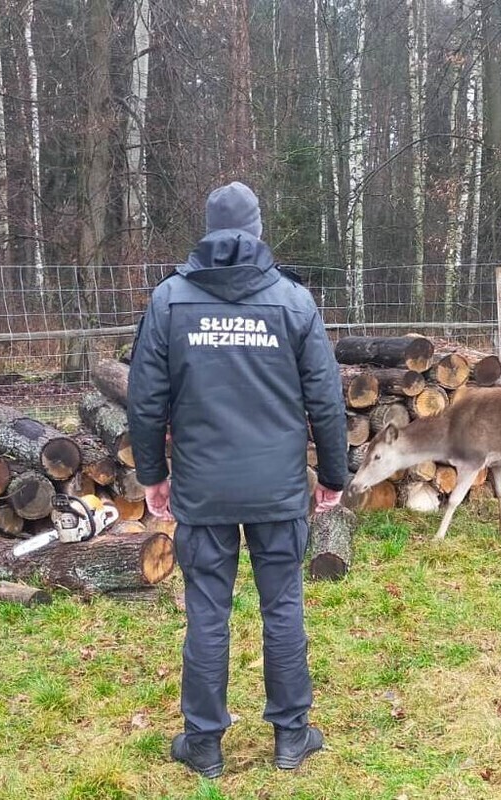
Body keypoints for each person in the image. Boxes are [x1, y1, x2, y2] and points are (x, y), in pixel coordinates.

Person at [127, 181, 348, 778]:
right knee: (282, 607)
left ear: (208, 229)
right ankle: (291, 737)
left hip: (203, 488)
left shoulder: (169, 301)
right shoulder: (293, 302)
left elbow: (145, 402)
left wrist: (153, 476)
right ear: (256, 230)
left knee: (206, 612)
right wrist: (332, 474)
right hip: (277, 489)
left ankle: (203, 745)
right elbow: (325, 401)